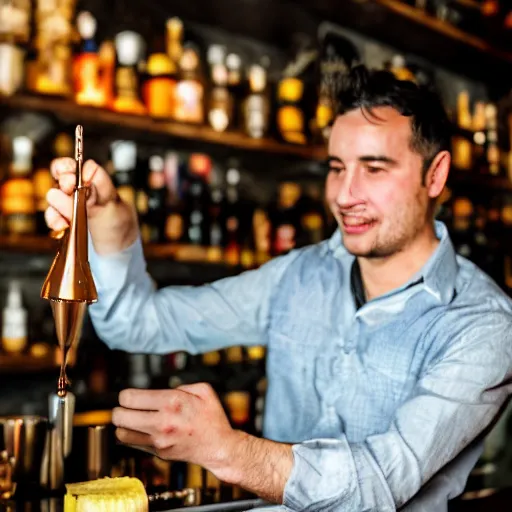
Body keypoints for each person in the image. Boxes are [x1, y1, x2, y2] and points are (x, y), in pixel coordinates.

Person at [45, 65, 512, 512]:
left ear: (436, 175)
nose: (344, 195)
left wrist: (229, 451)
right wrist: (111, 228)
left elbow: (381, 483)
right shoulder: (297, 276)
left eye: (374, 168)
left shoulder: (482, 324)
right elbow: (137, 324)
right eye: (336, 167)